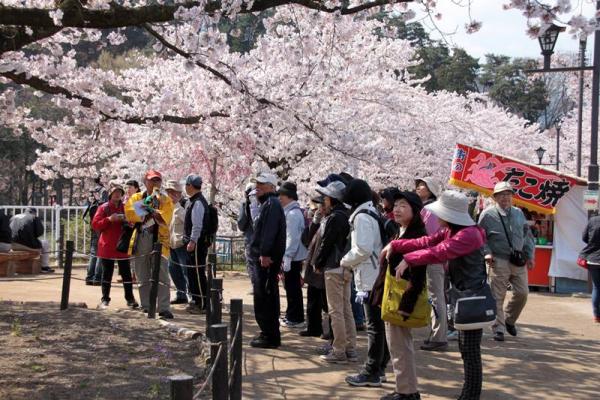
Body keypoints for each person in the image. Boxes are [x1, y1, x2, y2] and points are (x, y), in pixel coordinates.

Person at [383, 190, 489, 400]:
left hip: (472, 297)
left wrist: (409, 259)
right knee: (466, 348)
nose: (436, 217)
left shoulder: (468, 234)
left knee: (470, 350)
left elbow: (438, 252)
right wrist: (396, 244)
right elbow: (426, 242)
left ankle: (470, 396)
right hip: (463, 294)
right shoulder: (452, 229)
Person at [373, 191, 427, 400]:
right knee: (398, 346)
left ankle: (407, 392)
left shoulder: (416, 235)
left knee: (400, 346)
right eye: (396, 205)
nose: (396, 209)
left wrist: (407, 304)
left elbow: (419, 274)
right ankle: (406, 389)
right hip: (393, 297)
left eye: (403, 205)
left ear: (414, 210)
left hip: (402, 299)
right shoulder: (401, 231)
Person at [342, 179, 387, 386]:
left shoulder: (361, 217)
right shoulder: (370, 212)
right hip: (374, 274)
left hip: (370, 277)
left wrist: (344, 260)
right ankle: (380, 366)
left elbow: (363, 248)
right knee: (378, 325)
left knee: (374, 326)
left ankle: (372, 370)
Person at [478, 181, 534, 342]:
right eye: (502, 194)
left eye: (508, 194)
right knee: (497, 296)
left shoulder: (518, 213)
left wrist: (530, 256)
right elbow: (481, 238)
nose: (505, 197)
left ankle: (509, 320)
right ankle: (499, 328)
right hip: (498, 259)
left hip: (518, 259)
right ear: (495, 197)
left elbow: (527, 236)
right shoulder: (487, 214)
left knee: (522, 293)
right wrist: (487, 254)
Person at [125, 169, 174, 319]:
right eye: (152, 180)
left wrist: (147, 209)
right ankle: (146, 305)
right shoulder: (136, 197)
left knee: (162, 273)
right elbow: (130, 213)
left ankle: (164, 307)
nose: (155, 183)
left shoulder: (166, 199)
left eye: (157, 180)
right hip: (142, 236)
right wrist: (150, 209)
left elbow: (165, 216)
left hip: (160, 238)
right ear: (145, 181)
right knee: (142, 272)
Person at [314, 180, 353, 363]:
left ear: (331, 199)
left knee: (335, 310)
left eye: (326, 198)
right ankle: (350, 347)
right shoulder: (347, 215)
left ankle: (339, 350)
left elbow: (326, 243)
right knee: (346, 309)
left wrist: (318, 262)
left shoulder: (335, 217)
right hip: (346, 266)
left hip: (333, 266)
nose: (323, 201)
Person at [249, 171, 286, 348]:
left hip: (266, 260)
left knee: (265, 296)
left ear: (272, 187)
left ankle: (269, 334)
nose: (258, 187)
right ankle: (268, 333)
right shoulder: (270, 204)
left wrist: (264, 253)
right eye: (257, 184)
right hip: (266, 258)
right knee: (265, 295)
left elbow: (269, 232)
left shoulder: (271, 204)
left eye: (262, 184)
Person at [92, 184, 138, 309]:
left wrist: (128, 221)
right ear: (110, 194)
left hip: (122, 245)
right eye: (115, 192)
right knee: (107, 274)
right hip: (107, 245)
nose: (117, 194)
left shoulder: (126, 207)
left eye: (119, 192)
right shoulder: (104, 208)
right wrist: (109, 219)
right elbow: (95, 224)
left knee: (126, 274)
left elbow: (134, 221)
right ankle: (105, 299)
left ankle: (130, 299)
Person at [415, 176, 448, 351]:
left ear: (430, 190)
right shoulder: (437, 209)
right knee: (436, 296)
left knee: (436, 297)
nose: (418, 188)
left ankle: (439, 337)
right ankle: (437, 334)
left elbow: (425, 236)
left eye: (422, 186)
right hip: (438, 257)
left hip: (431, 257)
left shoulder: (429, 210)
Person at [278, 181, 308, 328]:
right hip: (293, 256)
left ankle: (295, 317)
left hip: (293, 256)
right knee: (291, 287)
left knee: (292, 288)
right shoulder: (292, 212)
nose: (279, 199)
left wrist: (288, 256)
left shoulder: (293, 214)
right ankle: (292, 315)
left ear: (289, 197)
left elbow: (292, 237)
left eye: (281, 196)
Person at [300, 195, 328, 337]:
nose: (316, 210)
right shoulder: (318, 221)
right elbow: (307, 238)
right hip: (313, 264)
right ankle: (313, 327)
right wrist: (315, 221)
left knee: (325, 301)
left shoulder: (331, 219)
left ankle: (326, 330)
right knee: (312, 298)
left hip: (322, 265)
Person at [183, 174, 210, 314]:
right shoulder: (194, 200)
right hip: (194, 242)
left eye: (186, 185)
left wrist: (193, 240)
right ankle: (197, 301)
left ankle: (203, 303)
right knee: (193, 272)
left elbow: (197, 225)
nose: (185, 188)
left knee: (198, 273)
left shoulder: (198, 202)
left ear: (190, 186)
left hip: (197, 243)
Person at [165, 179, 189, 305]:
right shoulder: (166, 206)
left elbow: (188, 223)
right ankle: (181, 294)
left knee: (186, 270)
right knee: (173, 270)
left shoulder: (184, 205)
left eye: (174, 192)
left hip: (182, 244)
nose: (172, 195)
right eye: (169, 192)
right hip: (170, 244)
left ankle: (192, 296)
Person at [10, 208, 54, 273]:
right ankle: (44, 267)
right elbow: (39, 232)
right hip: (27, 246)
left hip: (12, 245)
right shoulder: (34, 217)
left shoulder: (14, 217)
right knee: (45, 243)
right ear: (34, 213)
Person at [83, 178, 109, 285]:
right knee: (101, 251)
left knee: (94, 251)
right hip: (101, 224)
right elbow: (105, 208)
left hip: (93, 223)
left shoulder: (92, 191)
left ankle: (89, 277)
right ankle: (98, 278)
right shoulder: (104, 191)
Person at [237, 183, 260, 291]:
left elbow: (241, 223)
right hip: (264, 239)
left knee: (251, 262)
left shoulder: (245, 204)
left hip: (250, 237)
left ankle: (255, 285)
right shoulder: (265, 202)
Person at [579, 215, 600, 323]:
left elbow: (584, 237)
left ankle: (597, 316)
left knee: (596, 287)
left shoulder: (593, 220)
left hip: (593, 259)